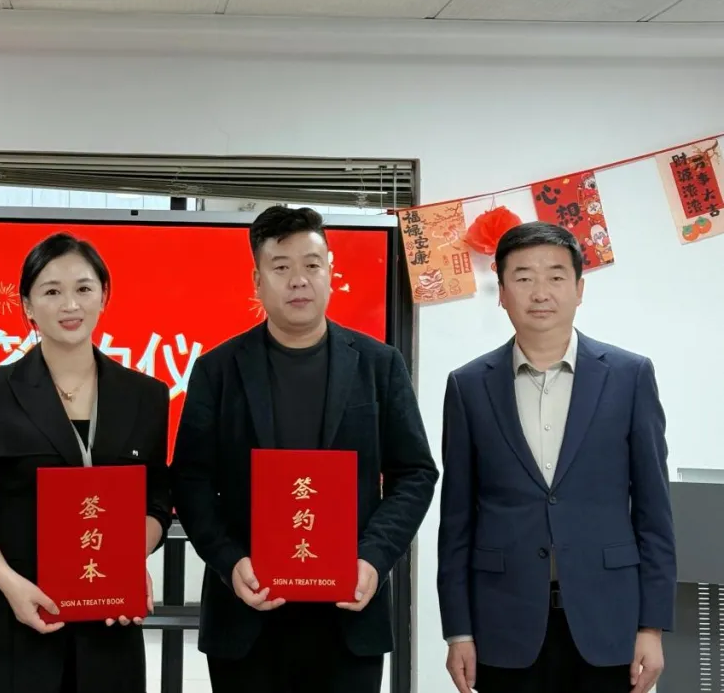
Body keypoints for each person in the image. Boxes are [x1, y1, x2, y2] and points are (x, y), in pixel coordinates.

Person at [170, 206, 438, 693]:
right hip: (247, 614)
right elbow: (190, 479)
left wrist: (374, 558)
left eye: (312, 265)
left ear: (330, 273)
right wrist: (230, 562)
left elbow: (415, 473)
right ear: (258, 281)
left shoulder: (379, 364)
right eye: (281, 267)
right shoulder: (217, 370)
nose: (298, 280)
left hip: (348, 613)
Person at [437, 220, 675, 693]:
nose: (540, 292)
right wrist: (458, 631)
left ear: (579, 289)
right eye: (523, 277)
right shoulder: (468, 385)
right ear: (502, 293)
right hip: (503, 621)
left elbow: (654, 512)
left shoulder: (629, 376)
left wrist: (651, 626)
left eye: (555, 276)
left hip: (609, 619)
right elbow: (457, 518)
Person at [0, 232, 173, 693]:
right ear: (27, 304)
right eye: (51, 291)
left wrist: (126, 561)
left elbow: (156, 500)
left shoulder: (145, 396)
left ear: (104, 295)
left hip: (107, 623)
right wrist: (9, 583)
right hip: (9, 616)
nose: (70, 304)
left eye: (83, 288)